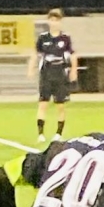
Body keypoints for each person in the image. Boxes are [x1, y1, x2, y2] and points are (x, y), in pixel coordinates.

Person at [27, 9, 78, 144]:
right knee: (43, 103)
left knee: (60, 105)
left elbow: (73, 55)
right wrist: (31, 68)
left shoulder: (65, 38)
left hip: (60, 74)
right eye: (52, 20)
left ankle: (58, 134)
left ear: (60, 22)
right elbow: (35, 54)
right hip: (46, 74)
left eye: (57, 20)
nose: (54, 23)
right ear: (48, 21)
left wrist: (73, 70)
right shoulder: (43, 38)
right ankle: (41, 134)